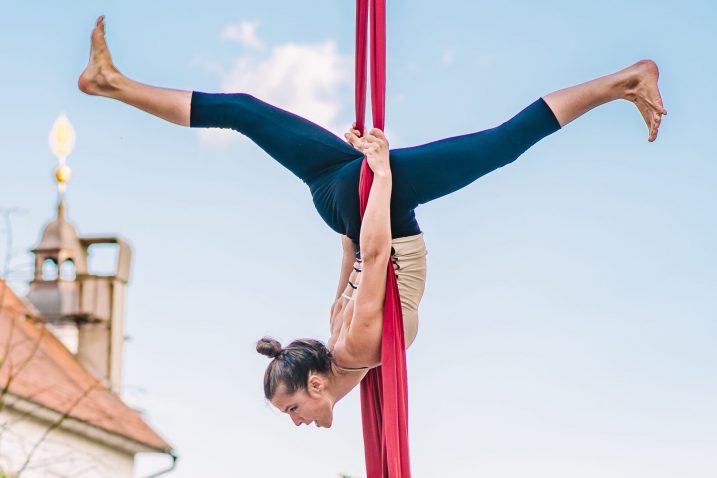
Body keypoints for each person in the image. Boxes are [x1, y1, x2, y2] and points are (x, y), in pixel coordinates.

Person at [79, 16, 666, 428]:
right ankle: (111, 84)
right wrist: (358, 177)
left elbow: (377, 257)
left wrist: (378, 176)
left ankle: (625, 79)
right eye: (292, 414)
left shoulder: (357, 345)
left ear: (314, 386)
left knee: (502, 145)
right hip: (337, 201)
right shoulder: (336, 337)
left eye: (291, 411)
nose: (297, 422)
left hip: (371, 208)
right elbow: (352, 258)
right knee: (243, 111)